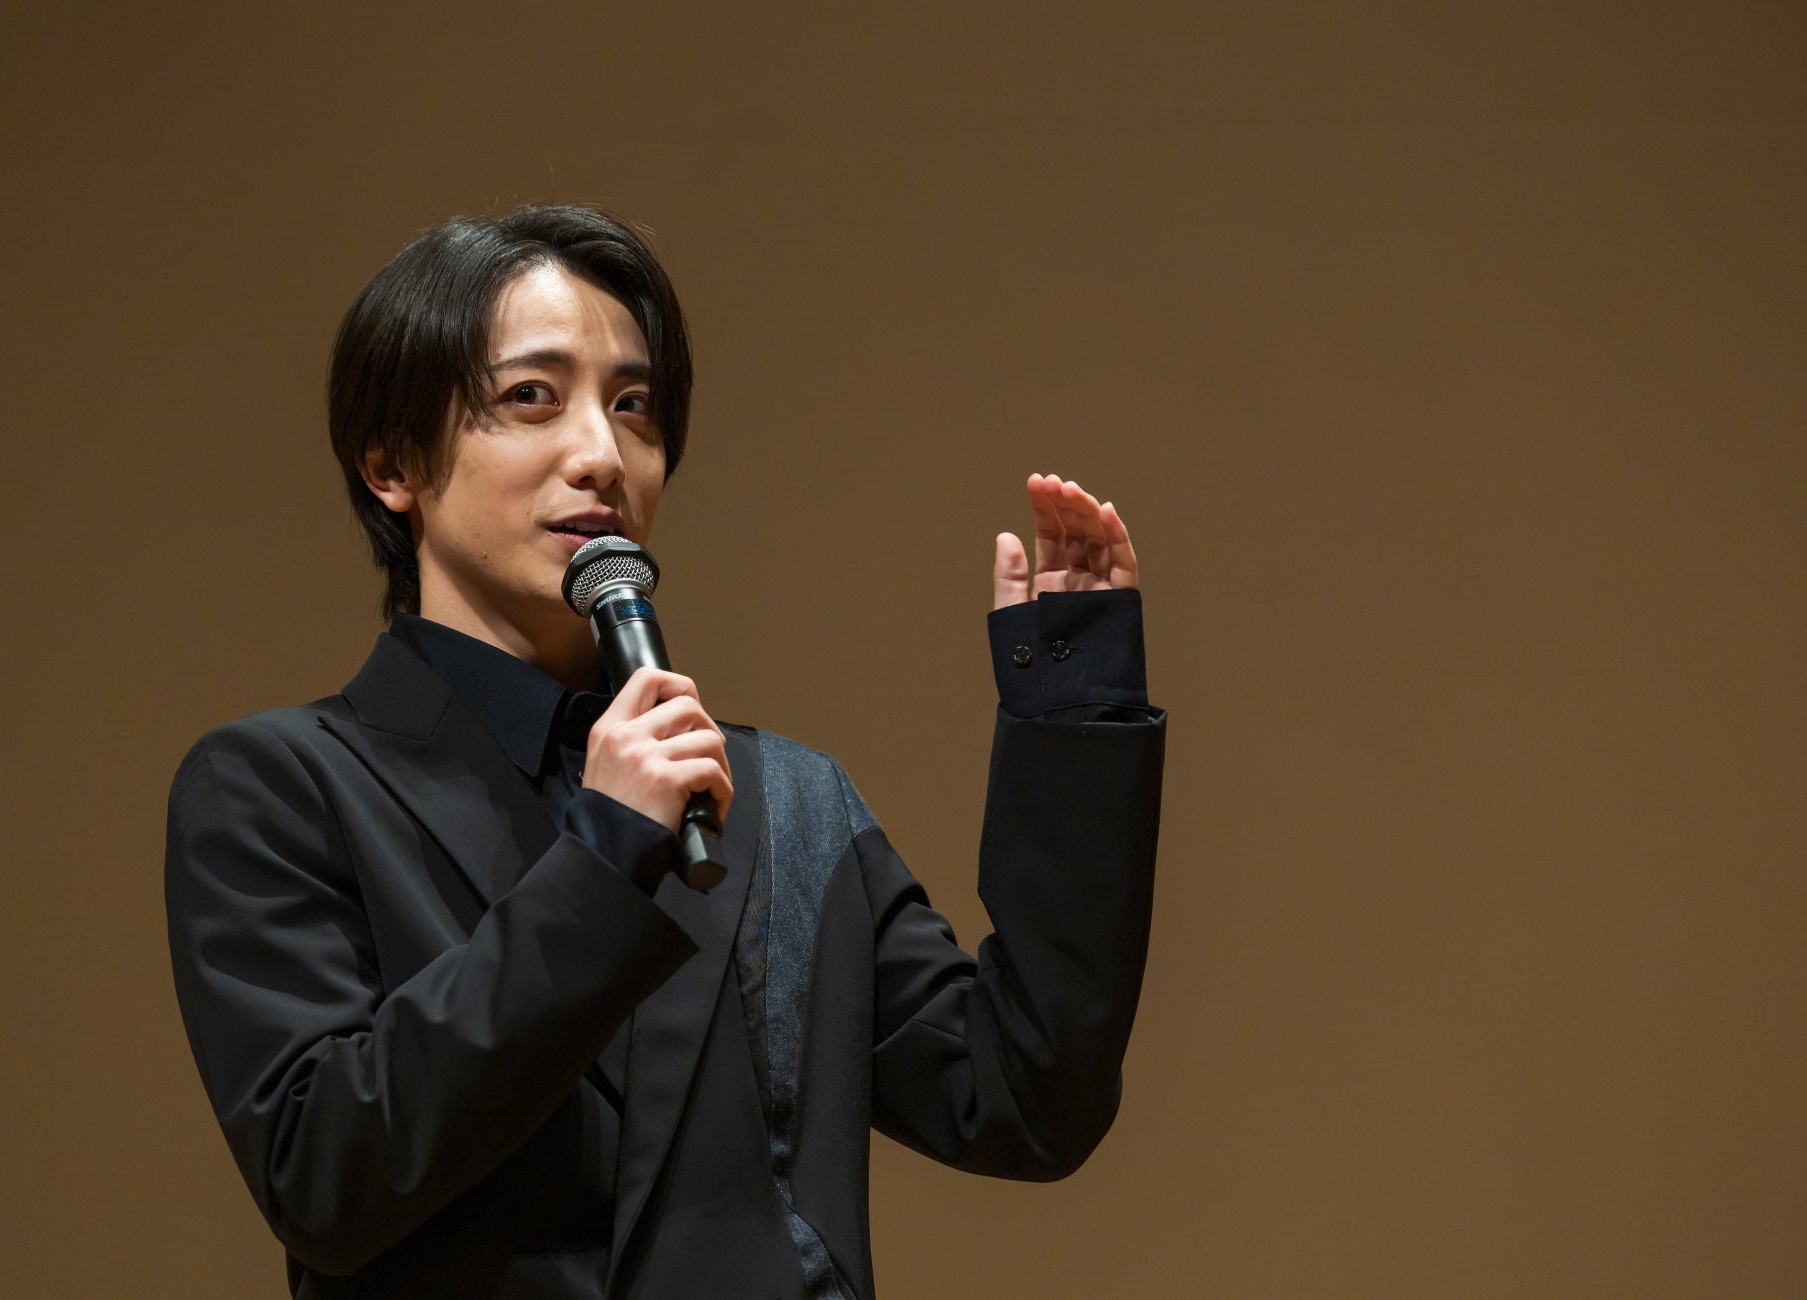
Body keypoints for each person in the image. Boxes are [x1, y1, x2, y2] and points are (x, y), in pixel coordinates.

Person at [164, 204, 1165, 1300]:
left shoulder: (782, 800)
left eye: (633, 406)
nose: (602, 455)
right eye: (531, 397)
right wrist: (601, 859)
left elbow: (1025, 1098)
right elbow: (326, 1176)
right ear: (392, 462)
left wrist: (1075, 721)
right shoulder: (282, 785)